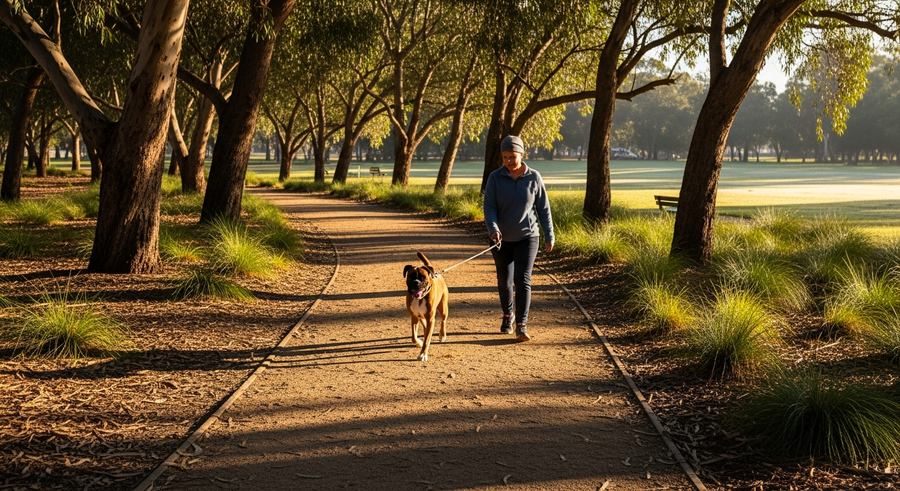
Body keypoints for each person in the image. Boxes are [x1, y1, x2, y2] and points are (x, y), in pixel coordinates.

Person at [483, 135, 554, 342]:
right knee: (504, 281)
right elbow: (489, 207)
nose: (508, 161)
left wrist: (549, 235)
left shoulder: (534, 177)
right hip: (500, 239)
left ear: (522, 154)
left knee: (522, 280)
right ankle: (508, 316)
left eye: (512, 157)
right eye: (505, 157)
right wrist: (493, 229)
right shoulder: (495, 178)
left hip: (528, 237)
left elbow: (544, 209)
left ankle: (521, 325)